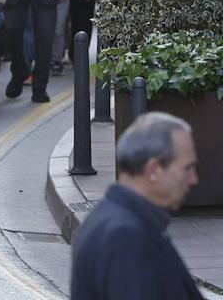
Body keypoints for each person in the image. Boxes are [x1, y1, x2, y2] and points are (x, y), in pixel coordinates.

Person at [69, 112, 202, 300]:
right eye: (187, 168)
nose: (193, 179)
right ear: (153, 169)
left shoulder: (111, 217)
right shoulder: (126, 237)